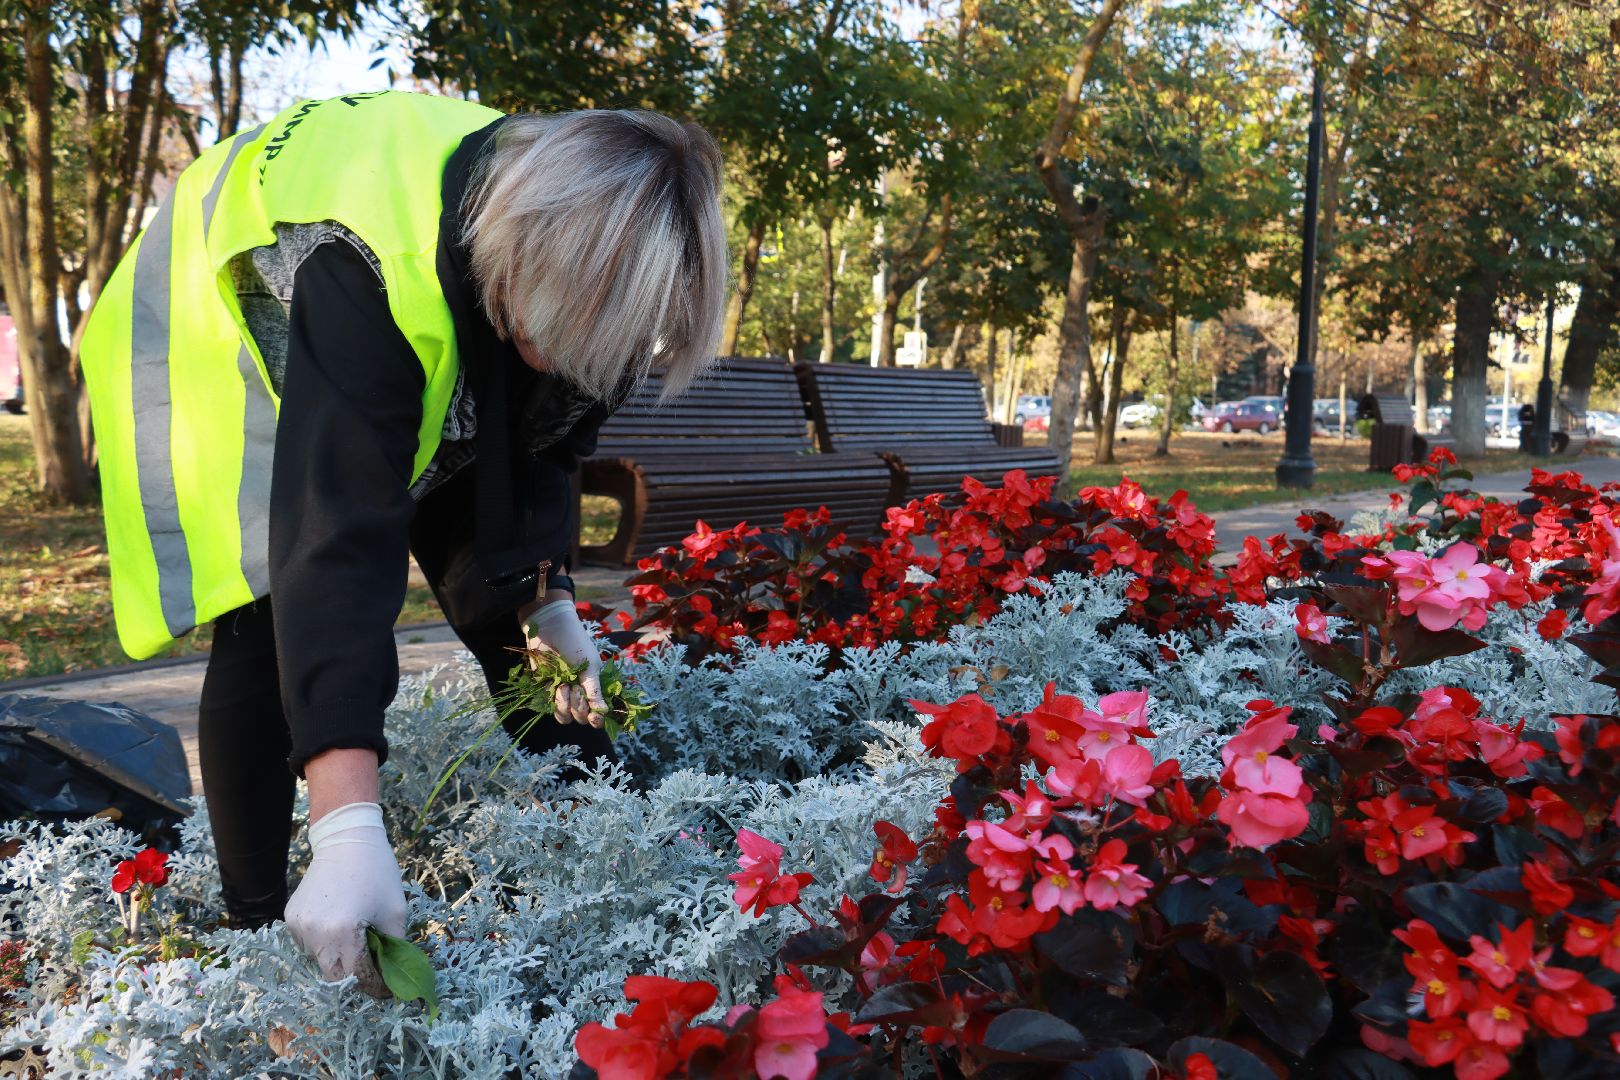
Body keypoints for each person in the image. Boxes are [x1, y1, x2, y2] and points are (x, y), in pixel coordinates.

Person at [79, 91, 727, 988]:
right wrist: (349, 826)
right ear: (524, 278)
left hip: (425, 296)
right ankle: (261, 919)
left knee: (506, 589)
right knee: (267, 603)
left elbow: (533, 449)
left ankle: (602, 812)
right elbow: (332, 546)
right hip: (209, 311)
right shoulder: (370, 273)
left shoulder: (580, 235)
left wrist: (547, 599)